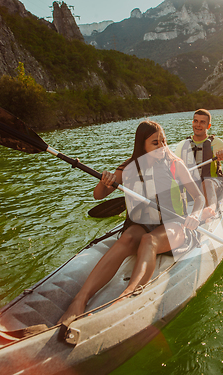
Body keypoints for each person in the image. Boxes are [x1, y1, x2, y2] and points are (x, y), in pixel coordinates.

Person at [57, 120, 205, 325]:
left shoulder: (175, 164)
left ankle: (127, 296)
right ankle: (79, 300)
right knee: (126, 237)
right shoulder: (129, 168)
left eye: (163, 140)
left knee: (148, 241)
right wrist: (104, 182)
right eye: (155, 143)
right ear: (141, 145)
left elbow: (198, 198)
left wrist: (195, 215)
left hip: (173, 227)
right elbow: (98, 196)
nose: (162, 146)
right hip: (143, 223)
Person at [175, 109, 223, 219]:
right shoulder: (183, 145)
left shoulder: (216, 143)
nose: (198, 125)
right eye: (195, 121)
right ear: (192, 123)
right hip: (193, 189)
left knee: (207, 182)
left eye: (202, 122)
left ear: (208, 126)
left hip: (214, 185)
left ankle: (210, 211)